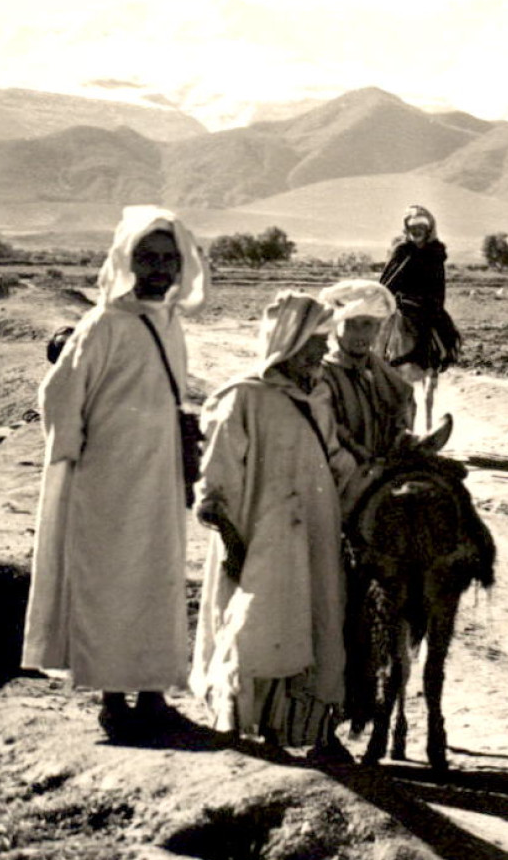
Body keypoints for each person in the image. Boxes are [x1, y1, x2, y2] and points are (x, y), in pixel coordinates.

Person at [21, 205, 208, 742]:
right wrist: (79, 457)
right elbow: (59, 394)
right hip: (108, 481)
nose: (158, 269)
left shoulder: (169, 322)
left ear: (181, 265)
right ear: (127, 262)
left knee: (157, 581)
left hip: (158, 476)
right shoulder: (104, 323)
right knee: (111, 584)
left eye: (168, 259)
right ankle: (111, 701)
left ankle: (152, 696)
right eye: (147, 258)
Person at [188, 291, 358, 765]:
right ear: (288, 339)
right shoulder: (241, 397)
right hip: (257, 535)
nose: (322, 352)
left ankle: (299, 728)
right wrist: (228, 536)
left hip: (314, 533)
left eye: (324, 341)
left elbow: (334, 459)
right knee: (253, 624)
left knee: (314, 620)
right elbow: (215, 477)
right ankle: (235, 719)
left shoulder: (317, 396)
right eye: (314, 341)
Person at [317, 278, 415, 510]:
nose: (360, 334)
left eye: (368, 325)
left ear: (378, 329)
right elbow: (331, 430)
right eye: (352, 325)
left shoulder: (384, 374)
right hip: (339, 479)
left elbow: (400, 413)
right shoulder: (324, 375)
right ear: (336, 328)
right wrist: (365, 459)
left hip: (381, 472)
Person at [377, 205, 460, 433]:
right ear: (407, 228)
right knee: (380, 329)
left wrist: (434, 304)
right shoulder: (401, 250)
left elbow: (438, 283)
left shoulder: (436, 252)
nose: (417, 230)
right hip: (401, 302)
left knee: (444, 332)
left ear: (429, 228)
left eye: (421, 226)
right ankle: (376, 363)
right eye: (412, 226)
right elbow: (389, 280)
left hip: (427, 305)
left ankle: (435, 360)